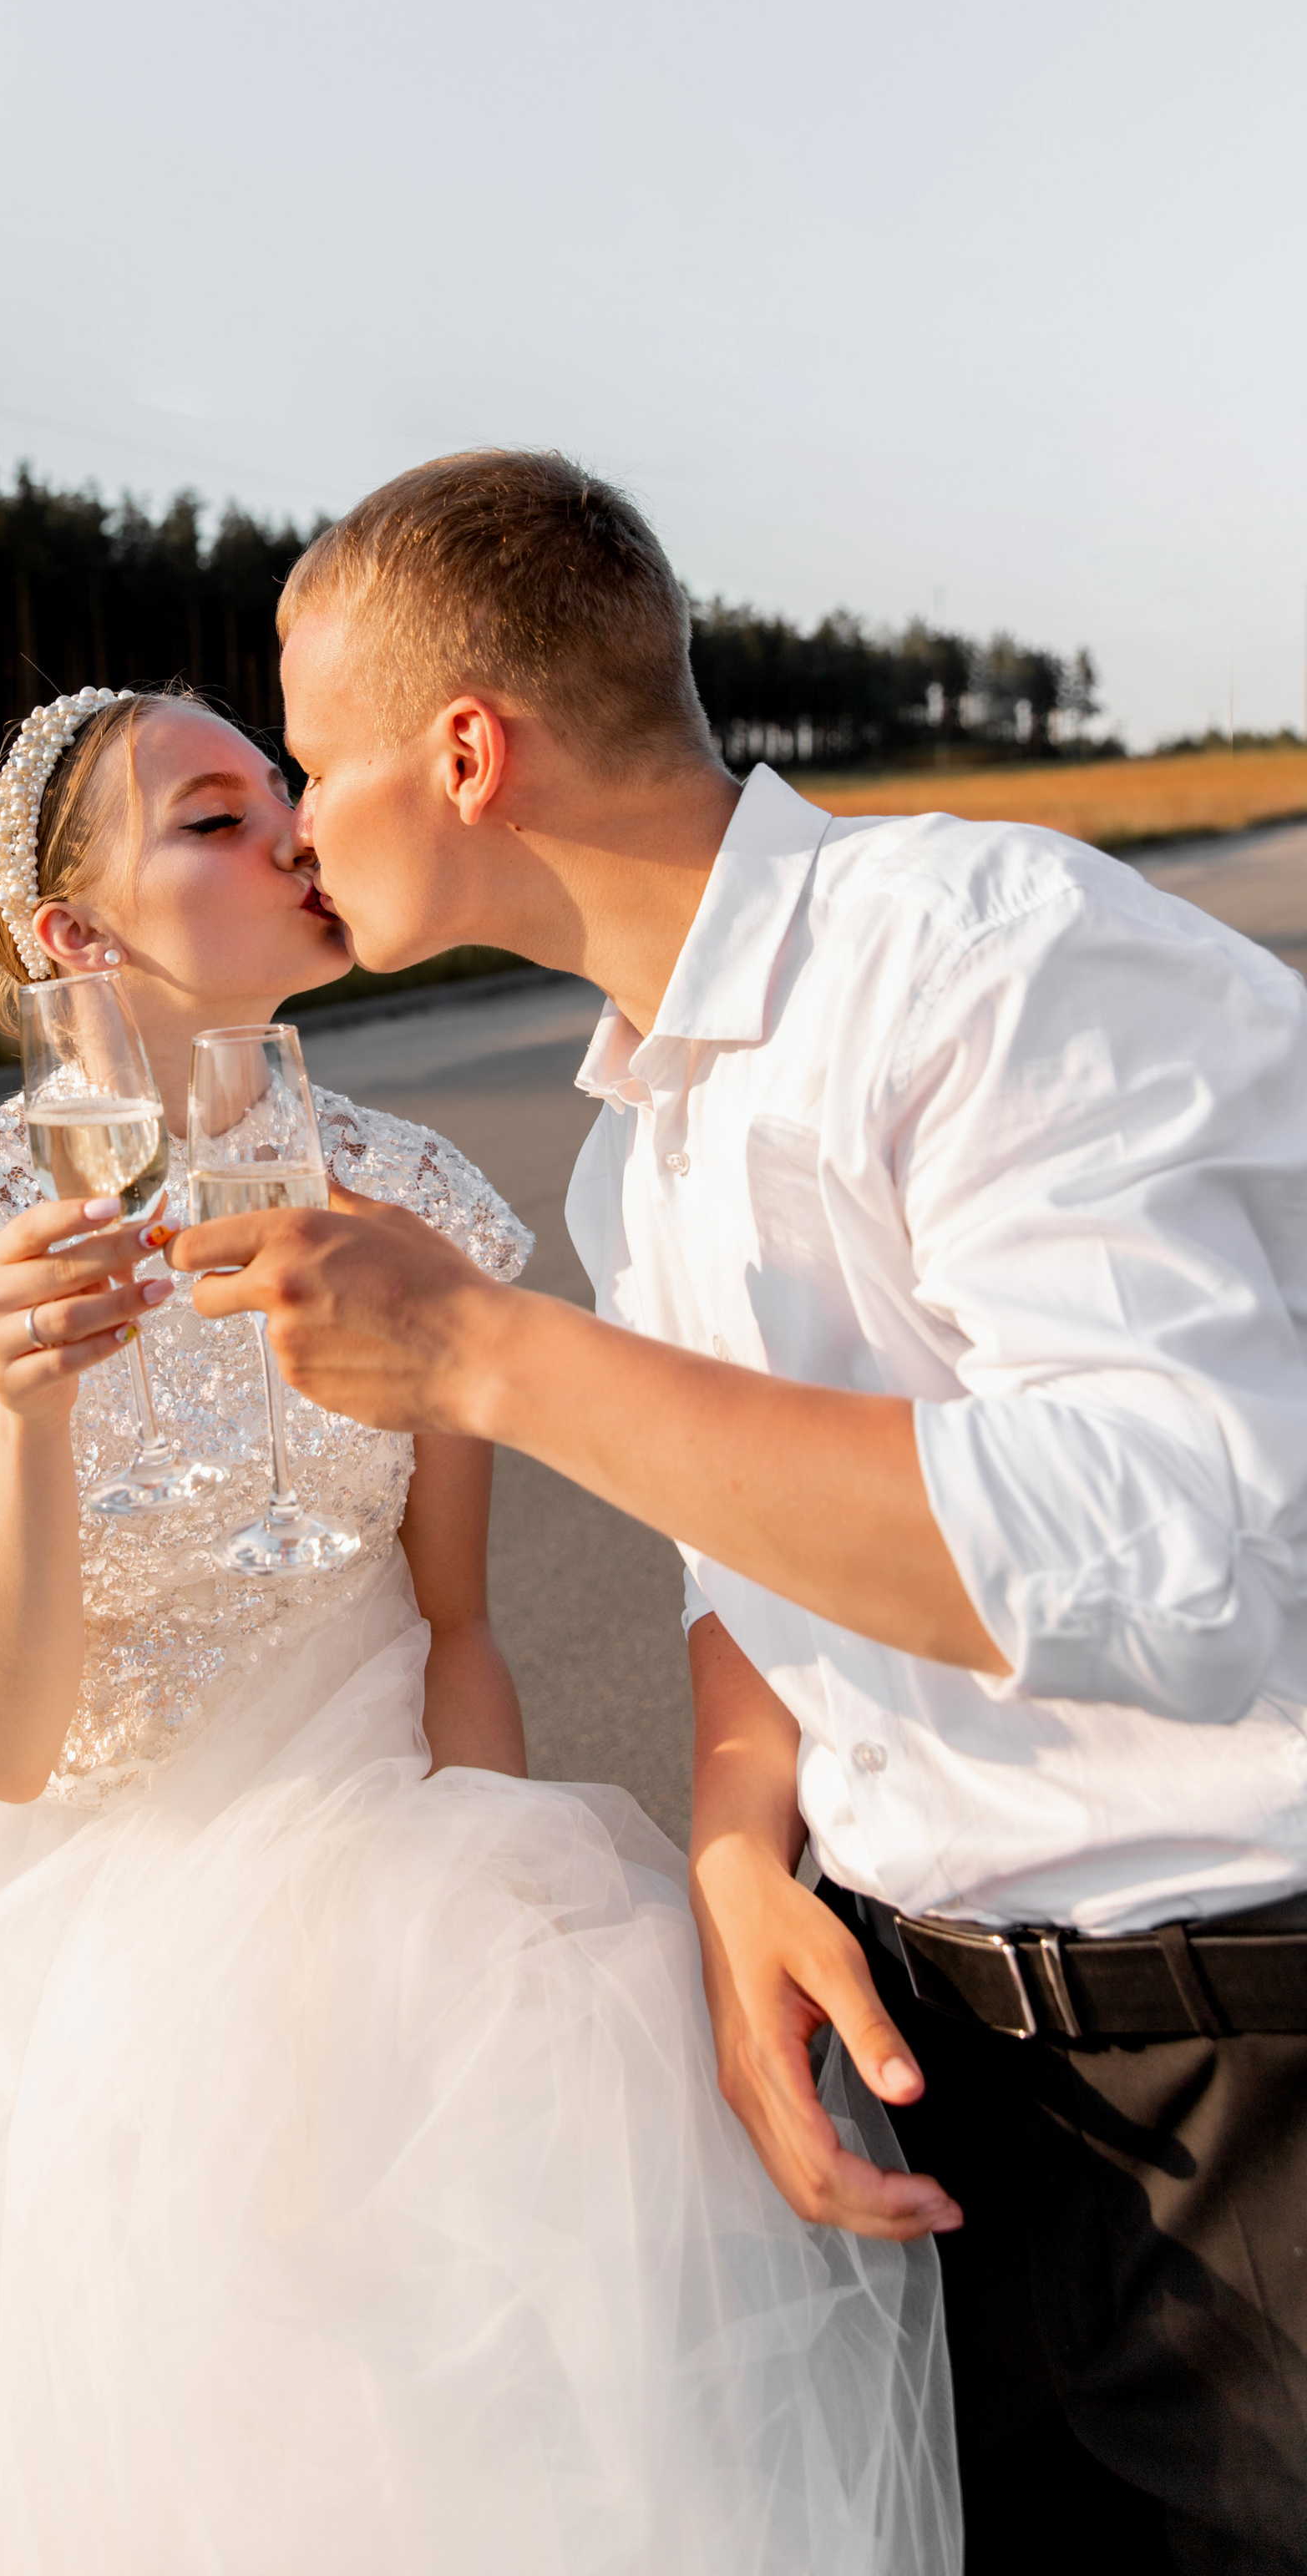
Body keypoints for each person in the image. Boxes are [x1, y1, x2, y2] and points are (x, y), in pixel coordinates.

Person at [0, 680, 954, 2575]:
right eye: (212, 818)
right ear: (73, 937)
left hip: (379, 1883)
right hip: (57, 1937)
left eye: (282, 790)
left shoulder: (417, 1194)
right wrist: (27, 1409)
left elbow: (456, 1629)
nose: (290, 835)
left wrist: (471, 1926)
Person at [170, 448, 1307, 2576]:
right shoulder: (639, 1142)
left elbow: (1186, 1532)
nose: (300, 824)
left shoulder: (987, 953)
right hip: (941, 2083)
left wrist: (490, 1360)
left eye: (314, 762)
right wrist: (729, 1847)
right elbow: (754, 1564)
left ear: (469, 751)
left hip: (1244, 2067)